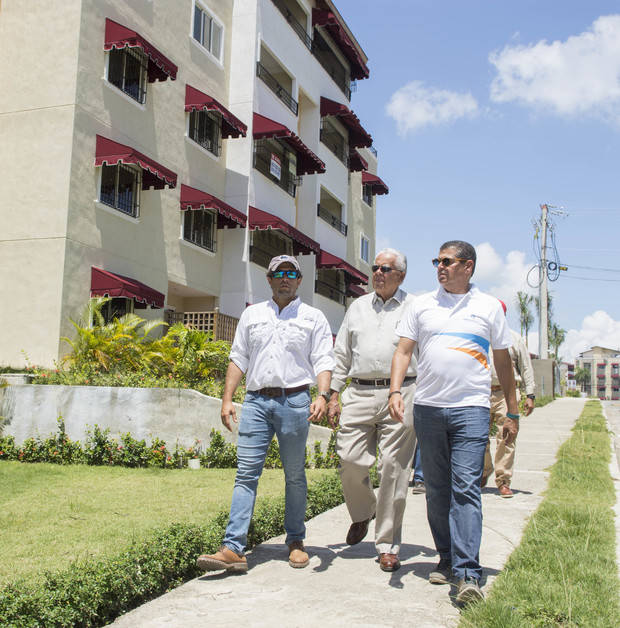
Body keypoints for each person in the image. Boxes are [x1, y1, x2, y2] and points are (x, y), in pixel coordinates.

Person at [389, 240, 518, 605]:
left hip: (471, 410)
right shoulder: (421, 305)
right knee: (436, 491)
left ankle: (467, 573)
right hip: (428, 410)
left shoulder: (489, 306)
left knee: (466, 490)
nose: (440, 267)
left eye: (447, 261)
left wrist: (512, 410)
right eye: (437, 261)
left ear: (468, 266)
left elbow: (503, 361)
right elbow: (403, 351)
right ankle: (445, 557)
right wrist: (395, 391)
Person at [197, 255, 335, 573]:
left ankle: (296, 541)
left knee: (295, 475)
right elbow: (239, 357)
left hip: (295, 402)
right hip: (257, 403)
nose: (285, 278)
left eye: (291, 273)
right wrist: (227, 398)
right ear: (269, 279)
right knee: (246, 474)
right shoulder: (252, 315)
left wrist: (322, 394)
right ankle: (233, 548)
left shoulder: (313, 317)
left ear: (299, 280)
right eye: (278, 273)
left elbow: (323, 359)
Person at [327, 248, 416, 572]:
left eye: (386, 268)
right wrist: (333, 394)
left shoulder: (414, 307)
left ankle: (388, 545)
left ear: (401, 275)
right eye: (375, 267)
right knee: (349, 459)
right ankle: (364, 511)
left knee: (394, 468)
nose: (378, 272)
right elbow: (342, 354)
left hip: (403, 392)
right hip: (359, 392)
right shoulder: (358, 307)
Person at [482, 300, 536, 497]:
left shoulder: (514, 339)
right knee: (477, 438)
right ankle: (484, 471)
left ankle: (503, 480)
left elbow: (526, 367)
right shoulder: (479, 338)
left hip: (507, 393)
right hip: (480, 392)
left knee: (507, 436)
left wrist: (530, 395)